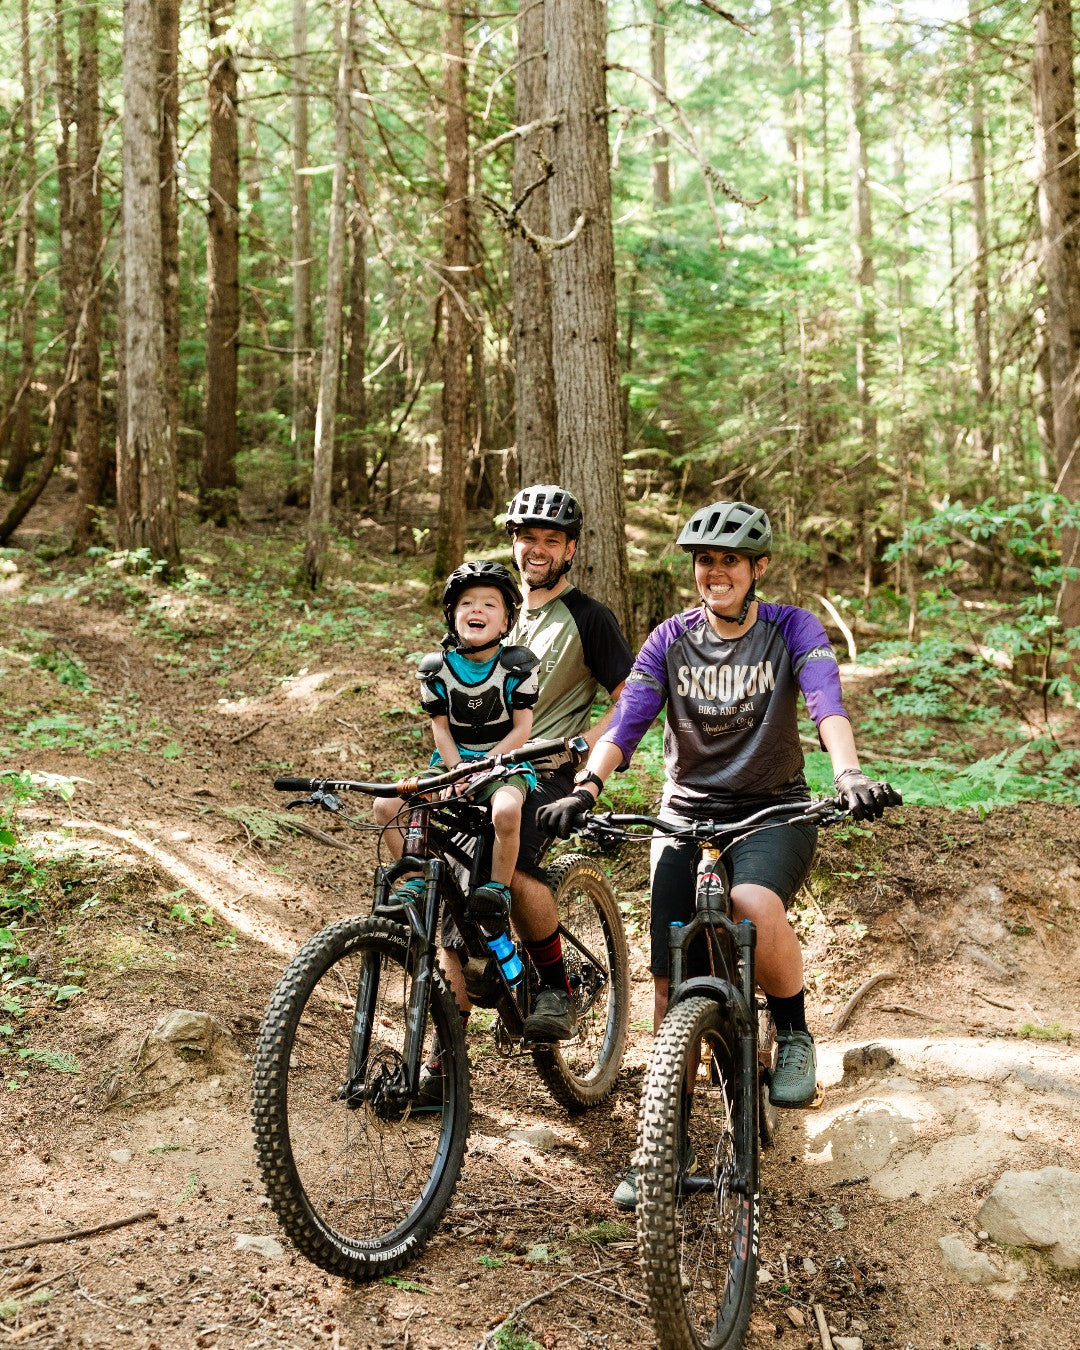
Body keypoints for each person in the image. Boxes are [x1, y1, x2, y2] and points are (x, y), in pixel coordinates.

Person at [537, 499, 901, 1209]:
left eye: (730, 560)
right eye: (705, 561)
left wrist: (849, 774)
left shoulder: (791, 628)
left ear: (757, 567)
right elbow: (629, 721)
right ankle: (662, 1147)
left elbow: (826, 703)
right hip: (686, 814)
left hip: (774, 811)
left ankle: (793, 1033)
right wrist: (587, 787)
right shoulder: (670, 639)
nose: (715, 572)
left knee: (751, 903)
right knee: (669, 984)